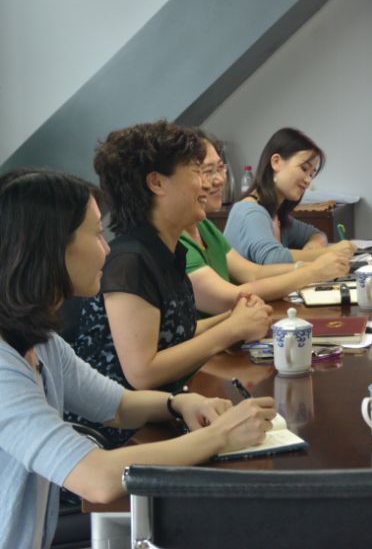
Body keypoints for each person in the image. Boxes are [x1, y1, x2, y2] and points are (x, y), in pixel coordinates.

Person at [0, 168, 276, 549]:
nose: (106, 248)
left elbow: (119, 405)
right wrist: (220, 436)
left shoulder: (41, 342)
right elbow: (97, 478)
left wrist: (178, 403)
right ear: (50, 248)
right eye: (95, 234)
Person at [72, 121, 272, 447]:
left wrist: (235, 318)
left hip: (165, 414)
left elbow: (171, 334)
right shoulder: (130, 261)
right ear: (157, 182)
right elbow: (143, 371)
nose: (206, 184)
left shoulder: (165, 249)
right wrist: (230, 329)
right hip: (122, 438)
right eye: (196, 171)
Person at [181, 133, 350, 315]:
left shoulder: (203, 225)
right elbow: (230, 297)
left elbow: (253, 273)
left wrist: (307, 265)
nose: (220, 180)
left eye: (221, 169)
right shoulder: (249, 211)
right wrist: (315, 269)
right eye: (207, 171)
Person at [224, 127, 354, 266]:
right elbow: (272, 258)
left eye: (311, 174)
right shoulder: (249, 211)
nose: (308, 180)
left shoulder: (276, 216)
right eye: (304, 169)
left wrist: (314, 245)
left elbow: (317, 234)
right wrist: (328, 252)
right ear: (276, 162)